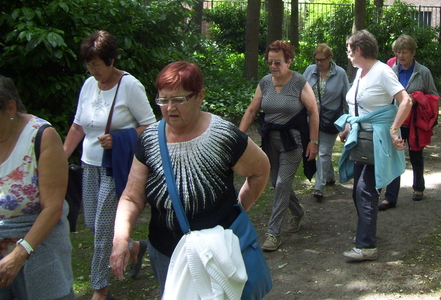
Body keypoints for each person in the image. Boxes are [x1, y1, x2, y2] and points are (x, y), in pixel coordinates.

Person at [109, 62, 270, 295]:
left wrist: (239, 210)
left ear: (199, 96)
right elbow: (133, 197)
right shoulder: (150, 139)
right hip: (166, 253)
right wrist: (121, 238)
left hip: (217, 252)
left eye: (179, 100)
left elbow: (260, 170)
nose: (169, 108)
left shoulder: (223, 135)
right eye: (163, 100)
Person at [63, 31, 155, 300]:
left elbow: (151, 126)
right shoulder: (89, 84)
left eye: (97, 65)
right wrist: (59, 158)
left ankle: (100, 290)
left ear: (112, 60)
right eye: (89, 64)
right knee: (93, 224)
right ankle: (134, 247)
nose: (92, 70)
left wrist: (119, 139)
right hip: (88, 165)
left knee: (103, 231)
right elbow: (78, 126)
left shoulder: (130, 86)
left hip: (114, 168)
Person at [337, 30, 412, 262]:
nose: (348, 55)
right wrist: (349, 127)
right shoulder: (360, 72)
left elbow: (406, 101)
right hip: (360, 140)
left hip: (375, 141)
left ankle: (367, 246)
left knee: (365, 191)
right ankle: (365, 234)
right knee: (358, 192)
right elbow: (357, 107)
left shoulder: (382, 71)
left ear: (359, 50)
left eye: (349, 50)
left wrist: (393, 129)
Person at [239, 41, 319, 252]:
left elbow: (313, 111)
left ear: (289, 61)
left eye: (278, 62)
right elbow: (251, 110)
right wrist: (238, 135)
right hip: (269, 140)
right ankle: (298, 212)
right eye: (270, 62)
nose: (273, 66)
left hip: (293, 140)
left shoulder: (299, 82)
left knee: (283, 183)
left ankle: (273, 233)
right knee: (275, 182)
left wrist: (313, 141)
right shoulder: (265, 82)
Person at [0, 75, 74, 300]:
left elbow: (53, 207)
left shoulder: (41, 136)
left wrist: (19, 255)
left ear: (10, 108)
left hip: (37, 255)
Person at [379, 35, 438, 210]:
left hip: (415, 122)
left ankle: (418, 187)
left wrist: (417, 98)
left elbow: (433, 96)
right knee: (393, 156)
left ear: (413, 52)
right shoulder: (390, 70)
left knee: (416, 155)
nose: (401, 55)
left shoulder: (423, 72)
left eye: (404, 52)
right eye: (397, 52)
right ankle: (390, 197)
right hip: (395, 120)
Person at [303, 44, 349, 200]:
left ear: (330, 58)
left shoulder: (340, 73)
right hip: (311, 118)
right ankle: (329, 176)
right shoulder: (310, 71)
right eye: (316, 60)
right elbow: (300, 90)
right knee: (320, 149)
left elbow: (347, 97)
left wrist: (349, 120)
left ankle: (319, 187)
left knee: (323, 151)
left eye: (322, 60)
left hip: (331, 119)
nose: (319, 63)